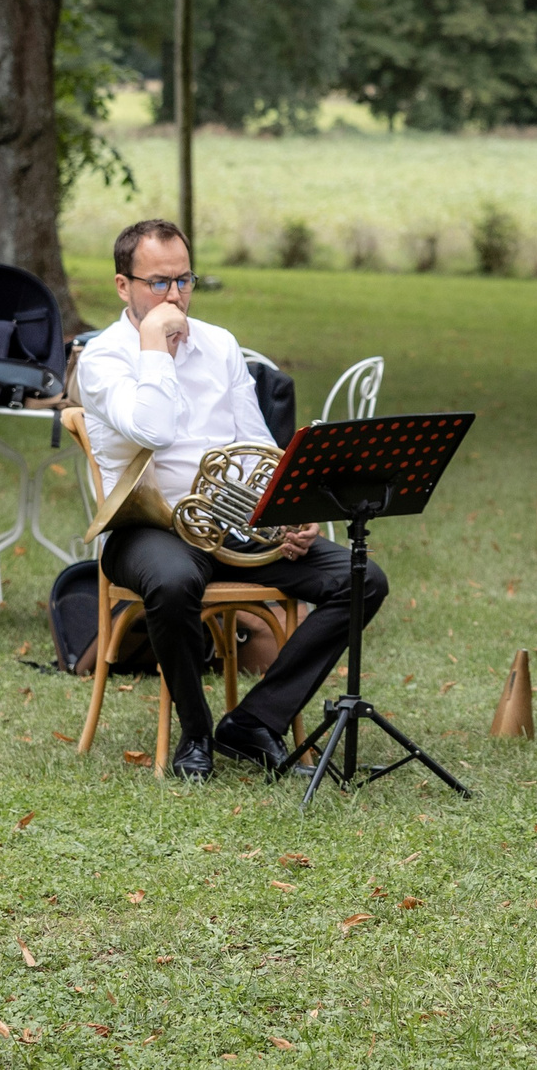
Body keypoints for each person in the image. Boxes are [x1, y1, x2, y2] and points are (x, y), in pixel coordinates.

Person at [79, 218, 388, 780]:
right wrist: (155, 345)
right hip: (148, 528)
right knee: (173, 583)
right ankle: (195, 734)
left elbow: (255, 444)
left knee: (363, 578)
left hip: (232, 522)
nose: (174, 297)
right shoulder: (104, 359)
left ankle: (253, 723)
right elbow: (151, 428)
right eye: (158, 283)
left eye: (185, 280)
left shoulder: (219, 345)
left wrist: (288, 512)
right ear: (123, 286)